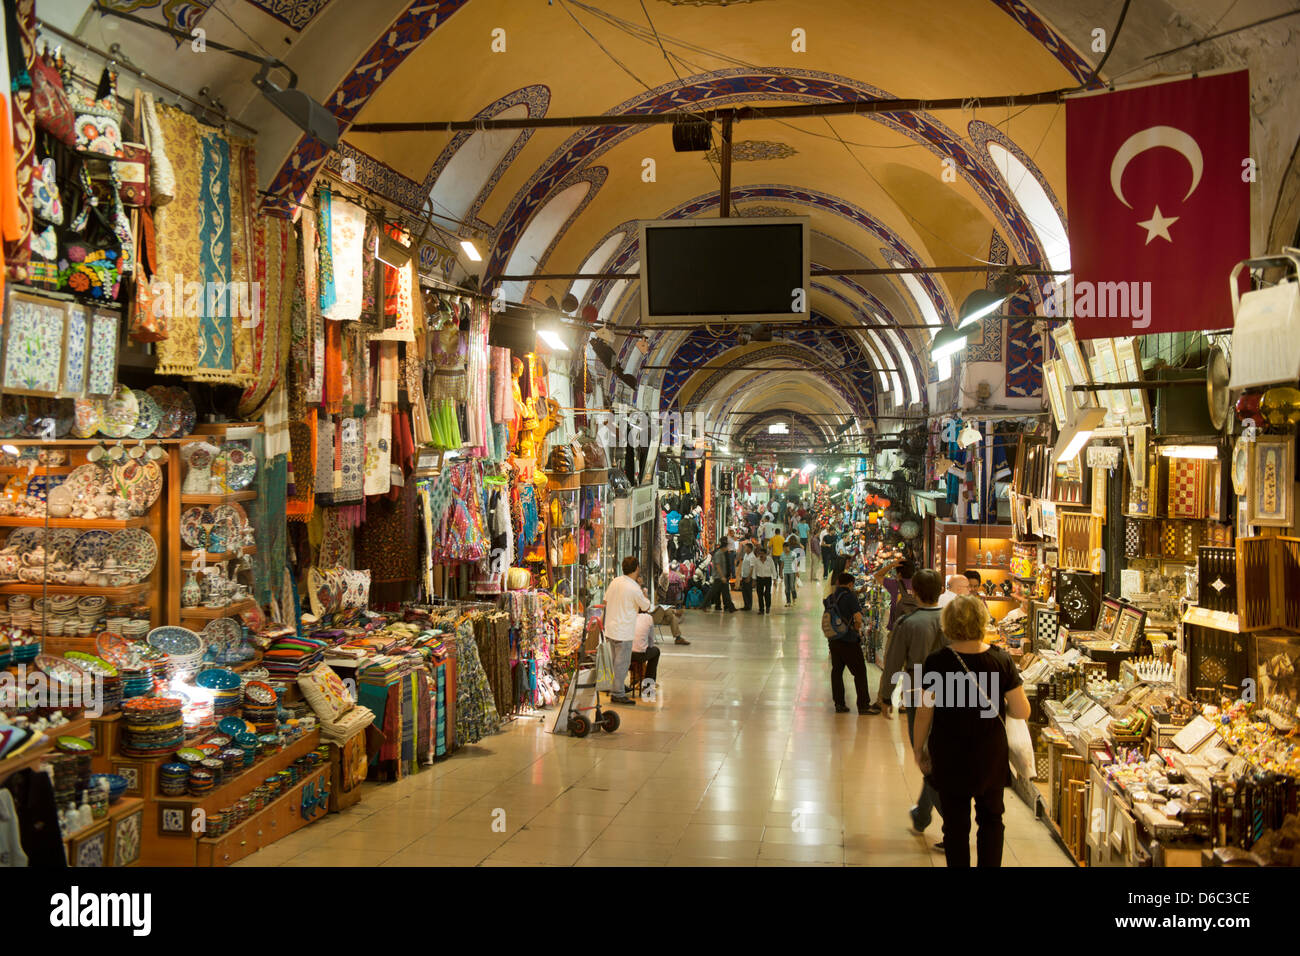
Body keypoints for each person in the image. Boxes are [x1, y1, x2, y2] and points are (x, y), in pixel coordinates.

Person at [911, 594, 1031, 868]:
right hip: (989, 753)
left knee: (955, 823)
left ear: (948, 623)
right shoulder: (1001, 661)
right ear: (982, 621)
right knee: (991, 819)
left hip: (949, 752)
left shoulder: (937, 662)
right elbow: (1022, 711)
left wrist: (919, 749)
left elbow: (923, 713)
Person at [877, 569, 947, 834]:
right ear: (940, 590)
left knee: (926, 759)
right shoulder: (951, 620)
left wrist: (886, 696)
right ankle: (923, 812)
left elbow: (894, 662)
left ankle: (949, 821)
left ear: (914, 591)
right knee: (936, 756)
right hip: (952, 693)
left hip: (918, 694)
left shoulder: (908, 624)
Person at [825, 572, 881, 714]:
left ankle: (839, 704)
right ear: (850, 584)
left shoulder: (831, 597)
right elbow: (857, 617)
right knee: (860, 672)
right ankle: (863, 705)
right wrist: (857, 629)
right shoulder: (850, 596)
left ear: (838, 582)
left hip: (834, 640)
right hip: (849, 640)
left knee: (837, 672)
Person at [604, 556, 652, 706]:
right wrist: (644, 594)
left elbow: (605, 601)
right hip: (623, 631)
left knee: (614, 662)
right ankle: (617, 693)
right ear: (637, 568)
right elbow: (646, 607)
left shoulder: (615, 582)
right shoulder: (634, 588)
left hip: (611, 627)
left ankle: (617, 686)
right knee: (622, 663)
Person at [632, 613, 663, 701]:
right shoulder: (648, 617)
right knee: (655, 651)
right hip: (639, 654)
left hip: (623, 653)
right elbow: (651, 641)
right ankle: (648, 688)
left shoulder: (627, 614)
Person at [701, 542, 737, 612]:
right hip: (719, 577)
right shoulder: (718, 554)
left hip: (722, 577)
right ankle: (703, 605)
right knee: (712, 592)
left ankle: (731, 608)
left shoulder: (722, 553)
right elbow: (718, 566)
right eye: (727, 547)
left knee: (726, 593)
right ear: (724, 547)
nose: (728, 549)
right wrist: (722, 576)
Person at [754, 546, 776, 614]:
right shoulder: (756, 560)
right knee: (759, 594)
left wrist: (775, 579)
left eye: (763, 554)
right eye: (760, 553)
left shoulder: (770, 560)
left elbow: (773, 569)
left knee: (767, 593)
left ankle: (768, 607)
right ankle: (761, 609)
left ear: (766, 554)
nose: (761, 555)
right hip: (759, 578)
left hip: (767, 578)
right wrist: (754, 580)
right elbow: (754, 570)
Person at [781, 536, 800, 605]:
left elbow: (795, 564)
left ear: (789, 547)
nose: (785, 549)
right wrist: (780, 573)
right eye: (784, 548)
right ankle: (788, 601)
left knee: (792, 586)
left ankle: (794, 598)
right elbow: (782, 564)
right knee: (786, 587)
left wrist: (797, 572)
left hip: (792, 572)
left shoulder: (793, 554)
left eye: (786, 547)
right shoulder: (782, 555)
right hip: (785, 572)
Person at [738, 542, 757, 611]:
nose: (744, 549)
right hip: (744, 575)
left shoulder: (752, 556)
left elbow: (752, 567)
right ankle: (746, 605)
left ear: (749, 548)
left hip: (749, 577)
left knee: (748, 591)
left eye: (745, 547)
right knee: (744, 591)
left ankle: (749, 605)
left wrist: (749, 577)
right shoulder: (746, 554)